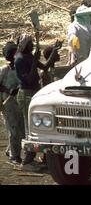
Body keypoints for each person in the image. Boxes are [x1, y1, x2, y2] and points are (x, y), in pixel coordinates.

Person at [14, 34, 61, 165]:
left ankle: (33, 158)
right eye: (31, 43)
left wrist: (55, 50)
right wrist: (35, 60)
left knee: (37, 124)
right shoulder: (20, 60)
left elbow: (45, 67)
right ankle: (27, 161)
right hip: (26, 94)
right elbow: (28, 79)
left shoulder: (28, 56)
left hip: (34, 93)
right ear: (25, 45)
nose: (33, 45)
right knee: (30, 127)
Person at [0, 42, 25, 165]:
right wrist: (9, 90)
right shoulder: (4, 70)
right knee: (13, 129)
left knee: (19, 128)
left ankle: (10, 150)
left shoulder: (20, 68)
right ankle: (14, 156)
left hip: (18, 102)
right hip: (7, 103)